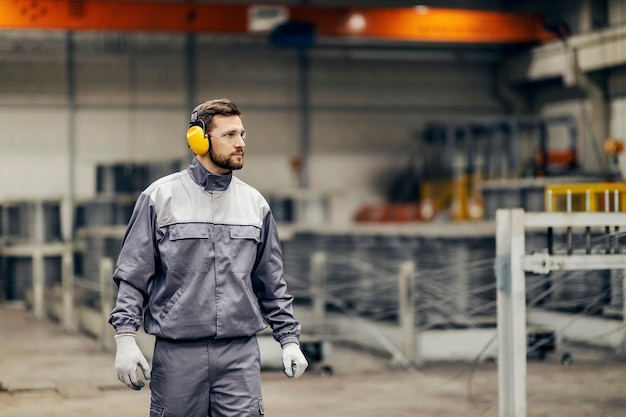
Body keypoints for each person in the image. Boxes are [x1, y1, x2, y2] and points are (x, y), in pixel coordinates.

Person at [108, 98, 308, 417]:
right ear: (199, 139)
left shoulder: (255, 205)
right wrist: (125, 338)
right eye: (229, 135)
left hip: (239, 355)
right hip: (178, 354)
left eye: (242, 134)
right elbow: (133, 276)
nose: (240, 143)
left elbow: (271, 283)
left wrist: (289, 339)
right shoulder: (160, 199)